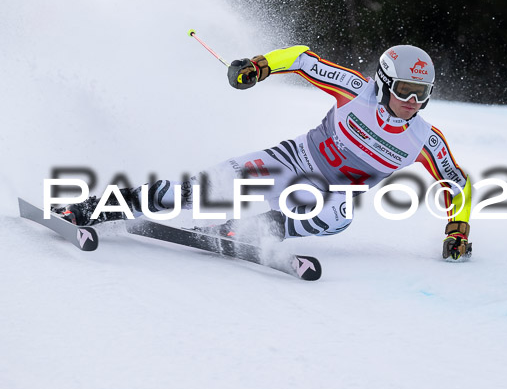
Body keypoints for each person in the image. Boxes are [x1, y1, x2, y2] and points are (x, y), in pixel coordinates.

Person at [56, 45, 473, 261]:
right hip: (294, 159)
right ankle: (99, 207)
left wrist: (458, 228)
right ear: (384, 83)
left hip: (331, 195)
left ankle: (252, 229)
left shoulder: (423, 138)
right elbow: (300, 59)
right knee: (204, 187)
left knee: (334, 216)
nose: (413, 102)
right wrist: (259, 66)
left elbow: (457, 183)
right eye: (405, 91)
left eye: (422, 94)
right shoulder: (354, 89)